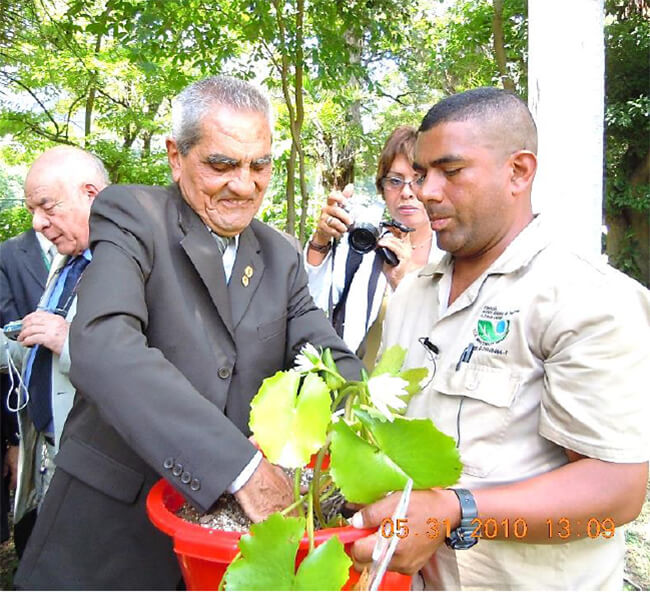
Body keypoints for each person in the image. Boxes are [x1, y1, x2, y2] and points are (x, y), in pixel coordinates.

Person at [14, 76, 363, 590]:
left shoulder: (280, 255)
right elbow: (104, 345)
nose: (244, 185)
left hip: (231, 553)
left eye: (259, 165)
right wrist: (242, 467)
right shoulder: (134, 215)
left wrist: (324, 439)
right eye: (222, 164)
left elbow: (333, 362)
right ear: (176, 156)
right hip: (109, 539)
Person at [350, 88, 649, 590]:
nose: (425, 191)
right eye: (423, 174)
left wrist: (457, 510)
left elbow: (617, 493)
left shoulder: (585, 299)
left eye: (451, 170)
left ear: (518, 172)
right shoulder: (411, 295)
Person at [0, 147, 110, 557]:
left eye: (47, 206)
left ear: (91, 194)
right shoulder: (67, 260)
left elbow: (149, 368)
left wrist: (68, 340)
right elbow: (37, 343)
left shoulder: (137, 261)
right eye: (32, 209)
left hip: (99, 473)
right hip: (49, 454)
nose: (37, 223)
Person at [305, 125, 442, 365]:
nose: (407, 192)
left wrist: (407, 288)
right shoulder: (363, 244)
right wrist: (321, 240)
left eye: (419, 180)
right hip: (351, 390)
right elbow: (312, 307)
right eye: (395, 181)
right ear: (382, 187)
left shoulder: (452, 254)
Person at [0, 228, 52, 551]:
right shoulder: (8, 254)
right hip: (28, 413)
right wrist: (14, 441)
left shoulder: (103, 247)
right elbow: (8, 335)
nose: (42, 218)